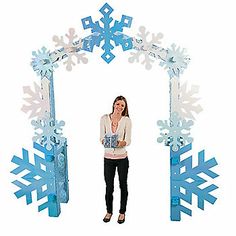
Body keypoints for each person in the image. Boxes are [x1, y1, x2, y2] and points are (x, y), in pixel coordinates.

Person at [100, 95, 132, 224]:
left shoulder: (126, 120)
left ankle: (122, 212)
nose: (119, 107)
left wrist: (120, 143)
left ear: (124, 108)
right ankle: (109, 211)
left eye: (122, 106)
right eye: (118, 104)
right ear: (114, 104)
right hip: (108, 158)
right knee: (109, 186)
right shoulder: (104, 118)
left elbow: (128, 140)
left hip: (122, 158)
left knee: (123, 185)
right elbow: (101, 138)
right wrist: (105, 142)